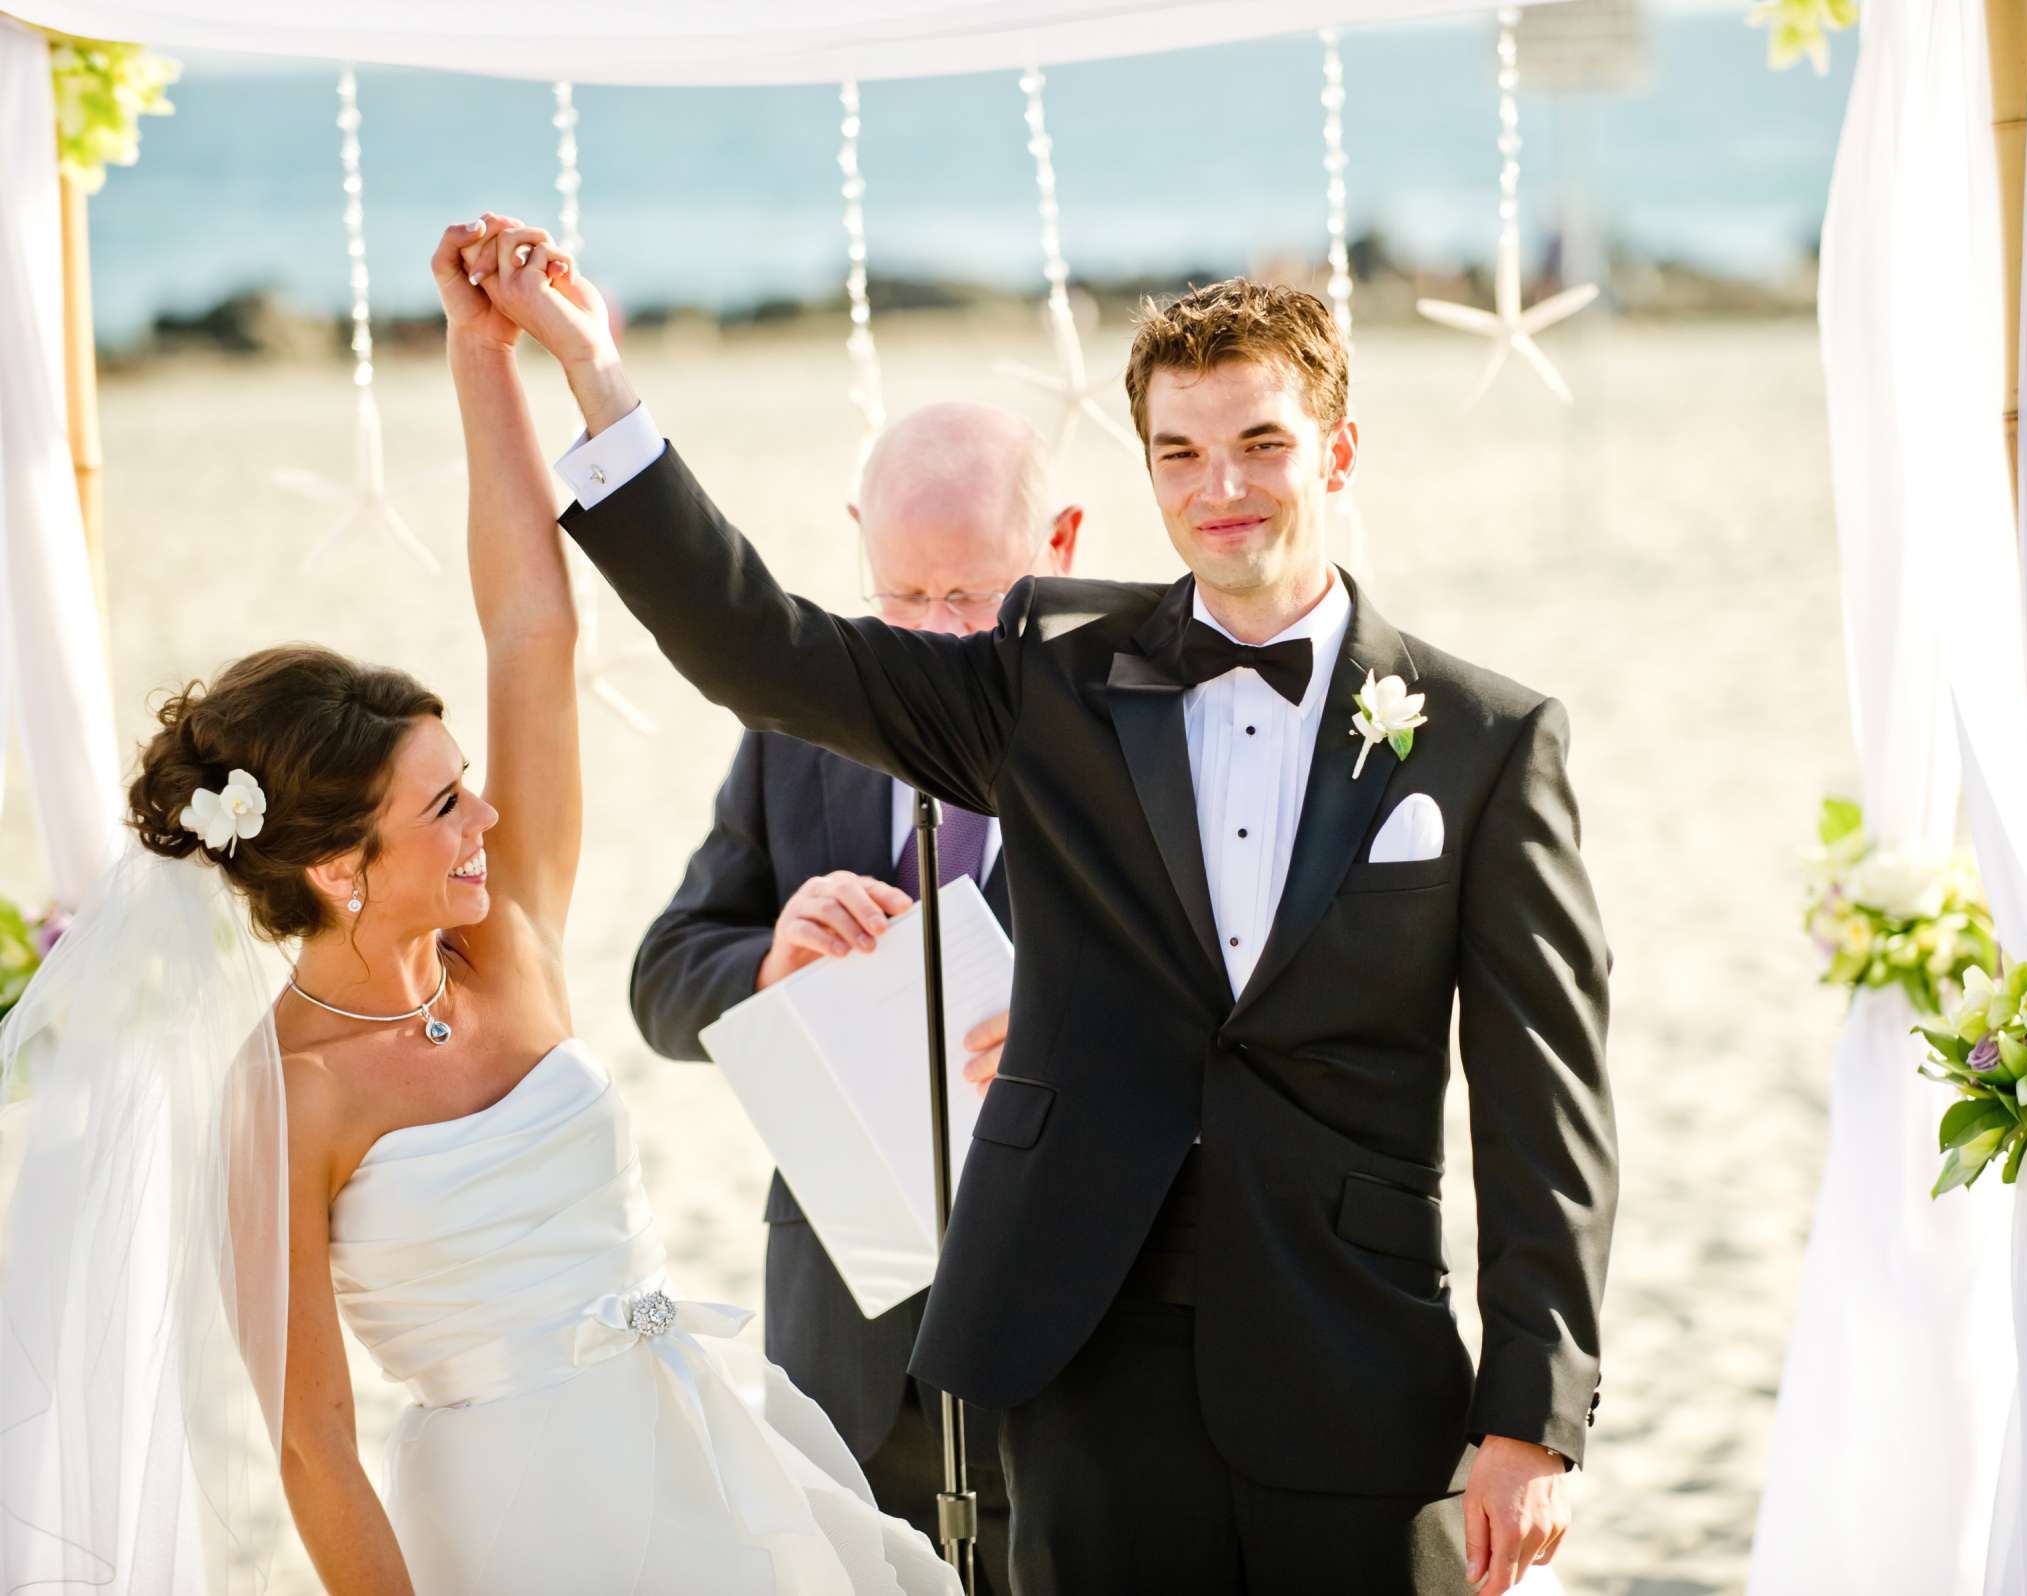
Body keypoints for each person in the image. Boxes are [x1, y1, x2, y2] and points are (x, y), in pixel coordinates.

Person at [499, 241, 1616, 1595]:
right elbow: (768, 650)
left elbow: (1543, 1106)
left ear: (1338, 448)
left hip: (1356, 1368)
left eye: (1260, 443)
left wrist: (1529, 1423)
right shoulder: (1051, 688)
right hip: (1087, 1378)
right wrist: (595, 377)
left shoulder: (1487, 739)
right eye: (1181, 453)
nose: (1221, 489)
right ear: (1145, 468)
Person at [0, 215, 959, 1596]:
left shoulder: (503, 940)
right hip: (515, 1522)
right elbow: (313, 1448)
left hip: (713, 1441)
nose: (488, 819)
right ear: (337, 867)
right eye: (443, 807)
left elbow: (532, 630)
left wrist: (483, 354)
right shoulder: (282, 1096)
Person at [629, 401, 1080, 1595]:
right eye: (904, 597)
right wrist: (770, 960)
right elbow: (664, 976)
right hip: (846, 1317)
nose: (935, 636)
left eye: (969, 598)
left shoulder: (1124, 733)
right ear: (857, 545)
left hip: (1066, 1309)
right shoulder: (796, 735)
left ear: (1063, 543)